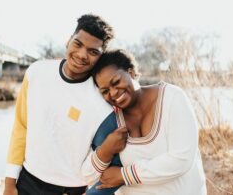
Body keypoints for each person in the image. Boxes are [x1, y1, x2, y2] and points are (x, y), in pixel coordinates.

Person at [3, 14, 121, 195]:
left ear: (101, 57)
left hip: (71, 190)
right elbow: (21, 127)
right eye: (78, 44)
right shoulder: (36, 73)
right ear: (68, 40)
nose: (82, 55)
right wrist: (9, 182)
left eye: (93, 51)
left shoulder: (102, 100)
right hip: (27, 182)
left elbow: (107, 161)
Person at [82, 49, 207, 195]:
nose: (113, 93)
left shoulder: (172, 98)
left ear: (131, 73)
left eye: (116, 82)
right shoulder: (111, 120)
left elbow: (181, 159)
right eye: (105, 91)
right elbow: (88, 176)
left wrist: (124, 175)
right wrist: (106, 150)